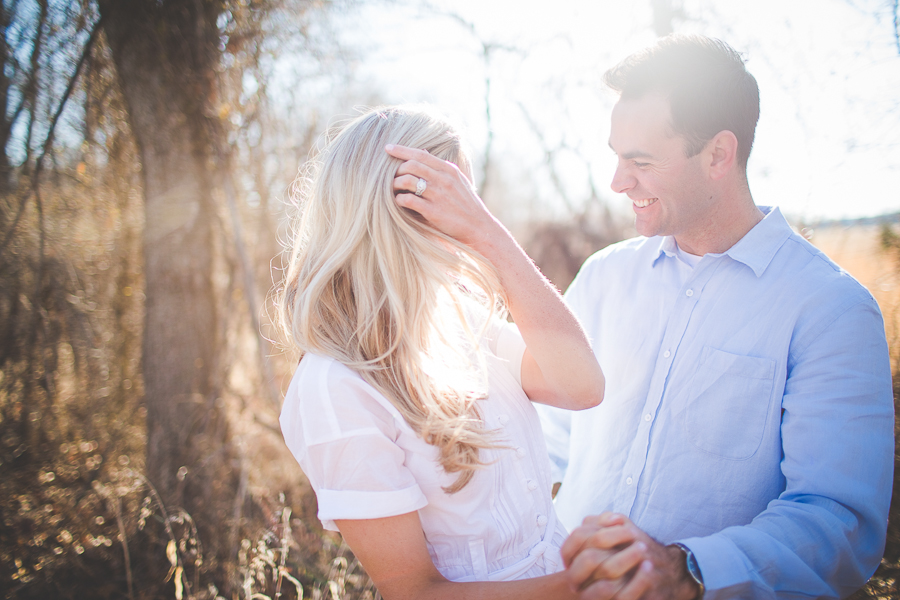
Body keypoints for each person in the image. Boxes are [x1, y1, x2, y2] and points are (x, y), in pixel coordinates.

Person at [538, 34, 893, 598]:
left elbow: (837, 520)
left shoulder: (831, 310)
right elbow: (545, 436)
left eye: (641, 161)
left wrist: (685, 570)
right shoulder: (604, 277)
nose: (618, 182)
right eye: (617, 156)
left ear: (718, 156)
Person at [277, 105, 648, 600]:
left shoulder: (460, 321)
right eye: (458, 199)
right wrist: (580, 587)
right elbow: (414, 592)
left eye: (469, 200)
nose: (471, 215)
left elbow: (582, 386)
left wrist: (491, 235)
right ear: (404, 211)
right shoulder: (333, 388)